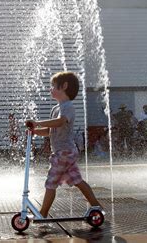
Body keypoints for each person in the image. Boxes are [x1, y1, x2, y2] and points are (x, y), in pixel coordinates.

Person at [26, 71, 102, 218]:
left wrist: (37, 122)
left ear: (64, 86)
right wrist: (35, 131)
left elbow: (60, 122)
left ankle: (43, 214)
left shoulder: (68, 107)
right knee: (78, 181)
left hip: (64, 153)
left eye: (53, 86)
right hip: (65, 152)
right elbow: (50, 130)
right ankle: (96, 207)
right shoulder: (56, 108)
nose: (50, 89)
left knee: (50, 183)